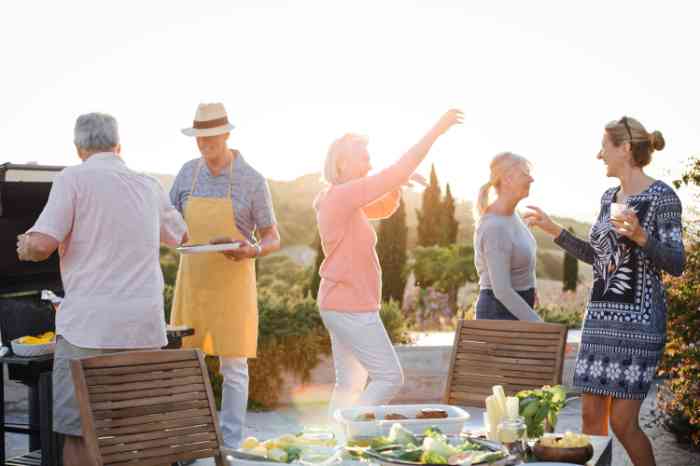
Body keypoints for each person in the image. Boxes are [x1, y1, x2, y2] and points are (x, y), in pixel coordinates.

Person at [17, 112, 187, 466]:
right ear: (118, 145)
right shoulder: (149, 184)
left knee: (80, 432)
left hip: (88, 330)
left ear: (79, 148)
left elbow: (42, 244)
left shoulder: (73, 179)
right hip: (144, 329)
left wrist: (25, 244)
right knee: (140, 431)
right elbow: (181, 236)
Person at [524, 116, 685, 466]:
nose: (600, 155)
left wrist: (642, 237)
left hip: (638, 327)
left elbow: (676, 262)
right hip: (599, 323)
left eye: (605, 147)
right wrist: (555, 231)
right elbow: (599, 259)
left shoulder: (662, 197)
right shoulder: (608, 197)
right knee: (590, 421)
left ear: (625, 149)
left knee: (623, 424)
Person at [314, 109, 462, 416]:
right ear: (342, 163)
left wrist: (396, 185)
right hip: (351, 307)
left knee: (349, 385)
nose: (369, 163)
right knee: (389, 377)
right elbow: (395, 171)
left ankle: (334, 445)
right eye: (363, 157)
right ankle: (351, 430)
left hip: (341, 303)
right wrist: (437, 130)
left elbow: (381, 207)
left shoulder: (343, 198)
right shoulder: (341, 196)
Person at [169, 102, 280, 450]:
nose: (205, 145)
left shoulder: (252, 180)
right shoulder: (187, 173)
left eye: (211, 137)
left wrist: (253, 249)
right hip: (192, 281)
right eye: (199, 138)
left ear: (227, 134)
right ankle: (190, 440)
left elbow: (273, 237)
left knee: (234, 366)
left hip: (234, 281)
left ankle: (230, 444)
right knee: (188, 363)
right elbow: (168, 222)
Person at [473, 152, 541, 321]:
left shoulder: (511, 216)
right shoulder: (495, 227)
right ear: (508, 179)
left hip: (514, 311)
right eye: (525, 174)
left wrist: (531, 289)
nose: (531, 179)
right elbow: (502, 291)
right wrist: (541, 327)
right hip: (499, 315)